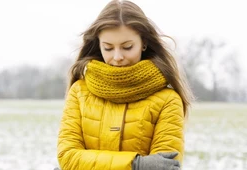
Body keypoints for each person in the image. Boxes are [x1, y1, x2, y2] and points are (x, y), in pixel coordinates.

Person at [56, 0, 194, 169]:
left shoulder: (168, 101)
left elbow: (165, 165)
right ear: (98, 45)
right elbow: (67, 157)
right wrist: (136, 165)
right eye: (108, 48)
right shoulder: (79, 92)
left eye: (127, 47)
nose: (117, 56)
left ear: (143, 43)